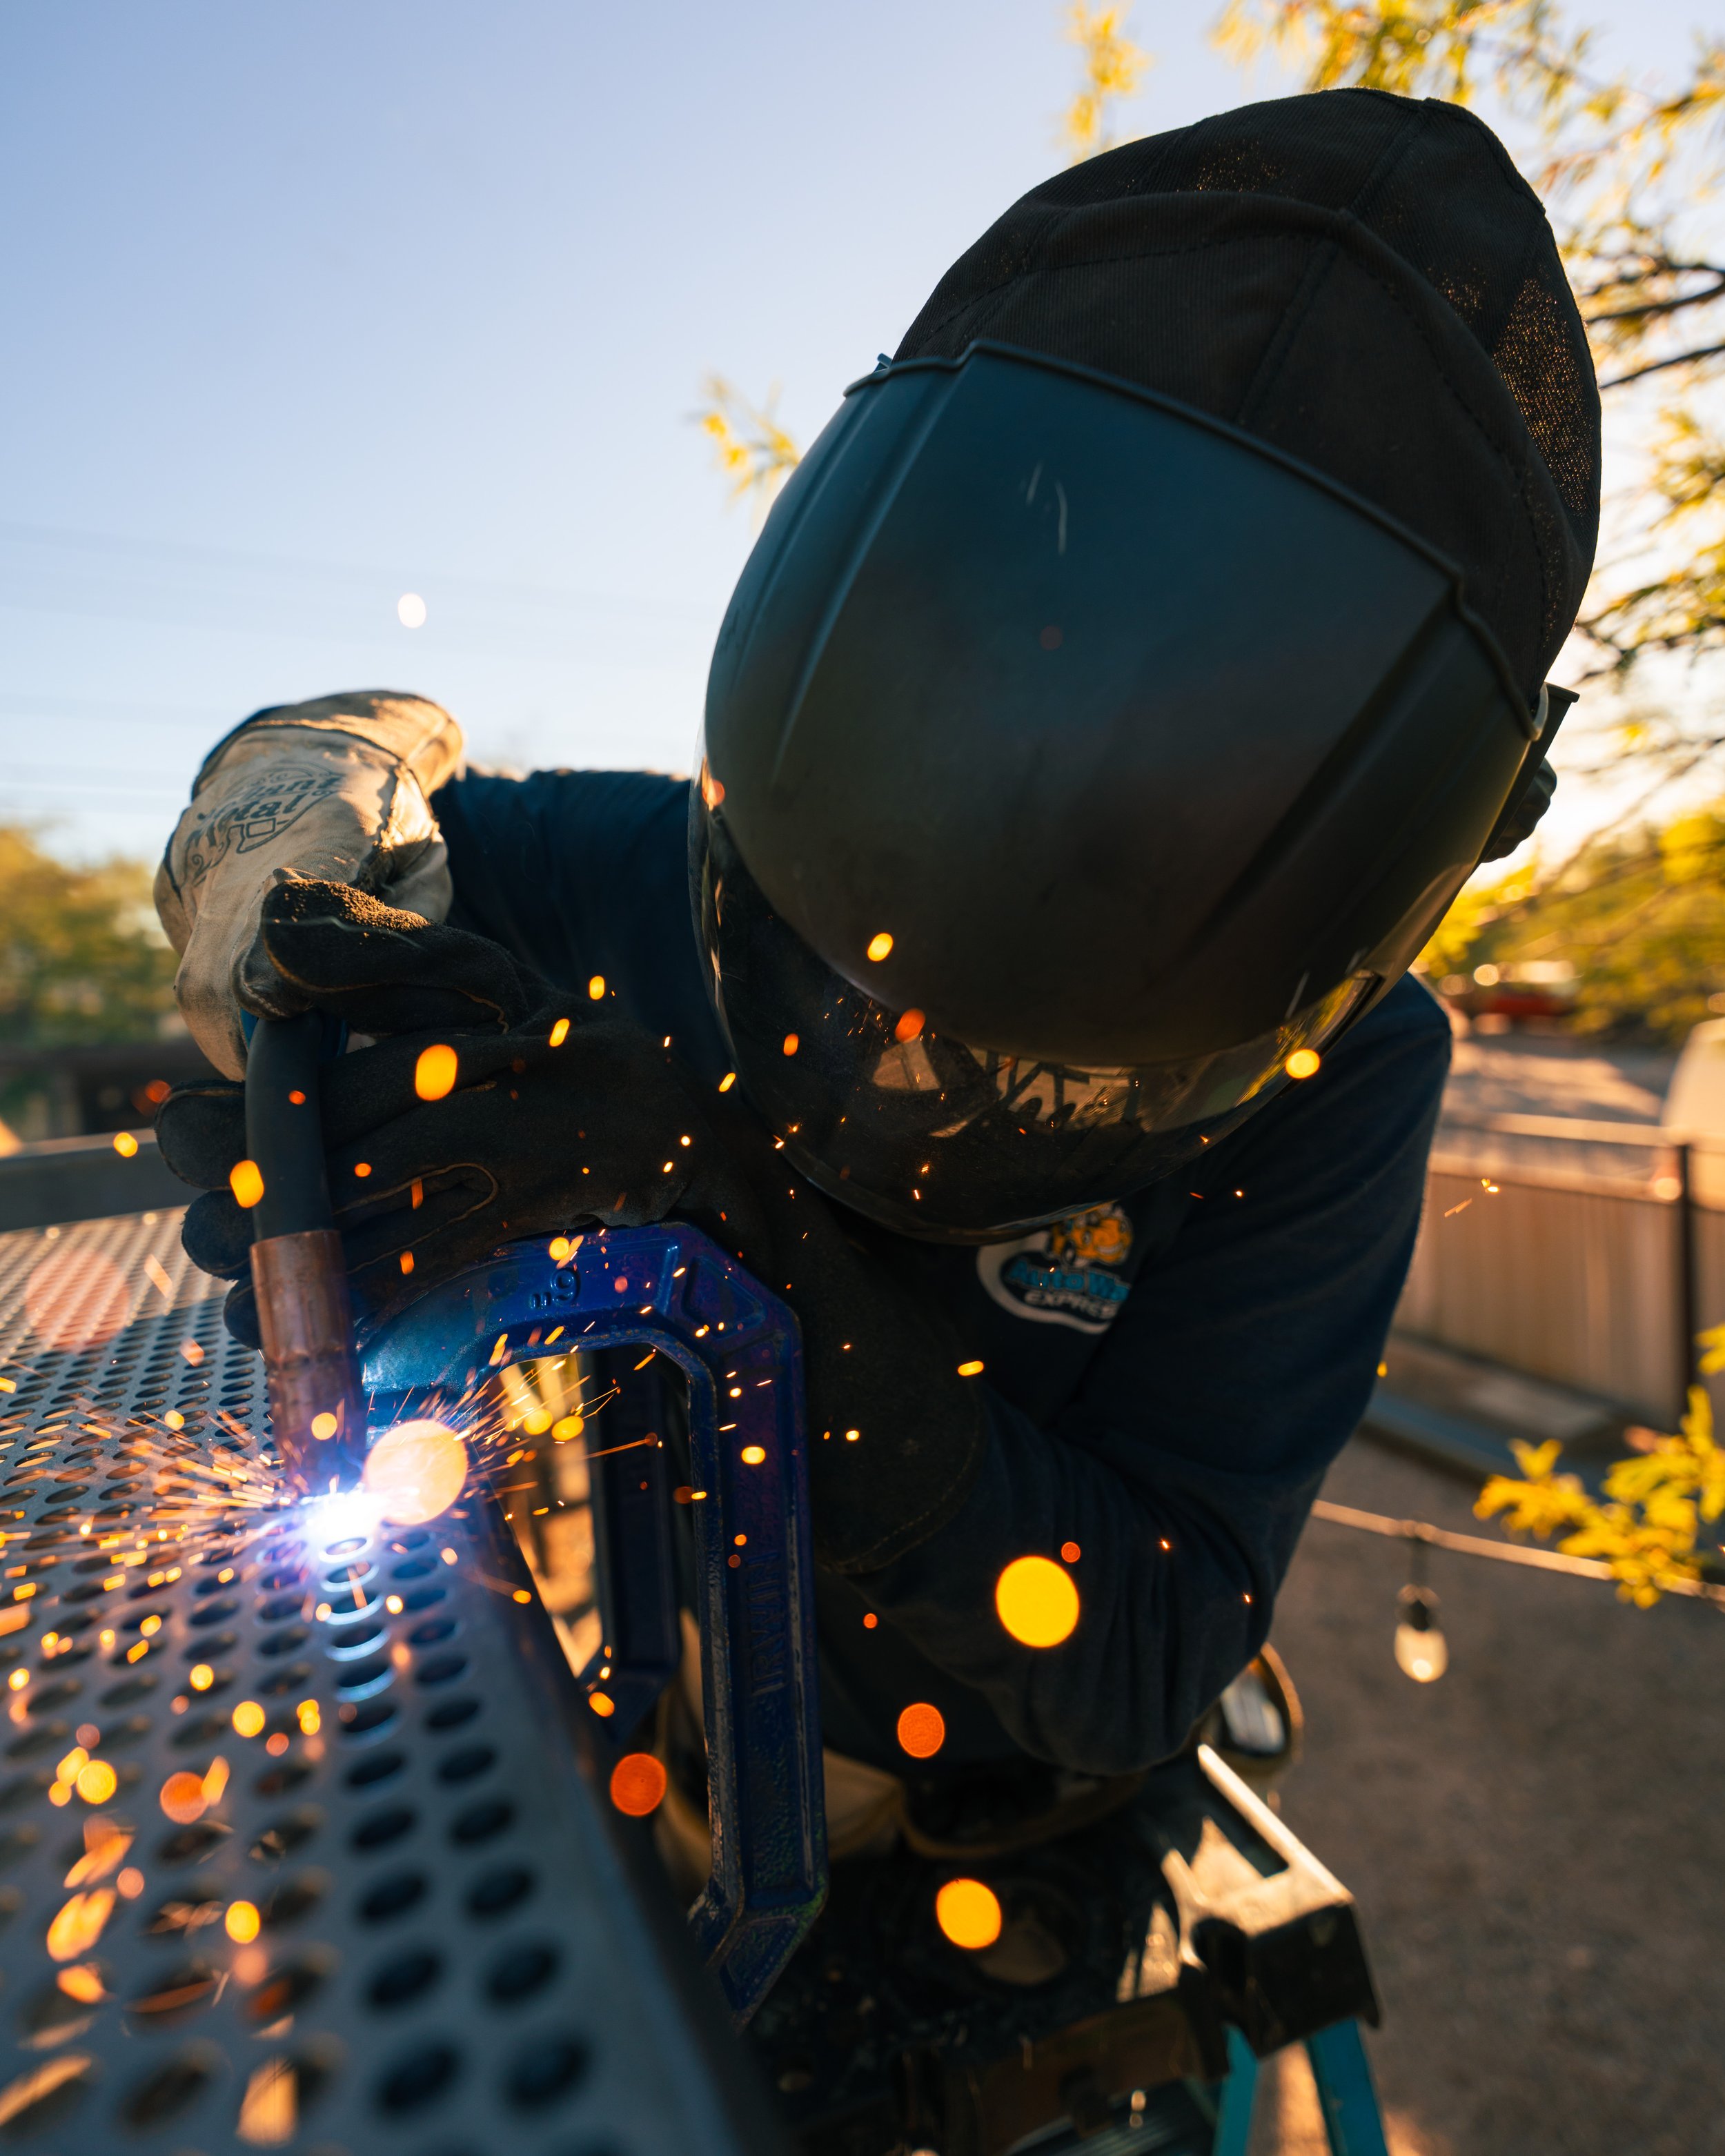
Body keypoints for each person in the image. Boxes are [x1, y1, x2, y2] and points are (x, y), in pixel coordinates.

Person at [154, 88, 1598, 1792]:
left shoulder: (1339, 1075)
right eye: (839, 973)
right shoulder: (665, 857)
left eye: (1042, 1066)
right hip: (682, 1705)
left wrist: (751, 1273)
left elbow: (1142, 1650)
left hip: (996, 1835)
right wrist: (315, 829)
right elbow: (354, 822)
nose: (899, 1061)